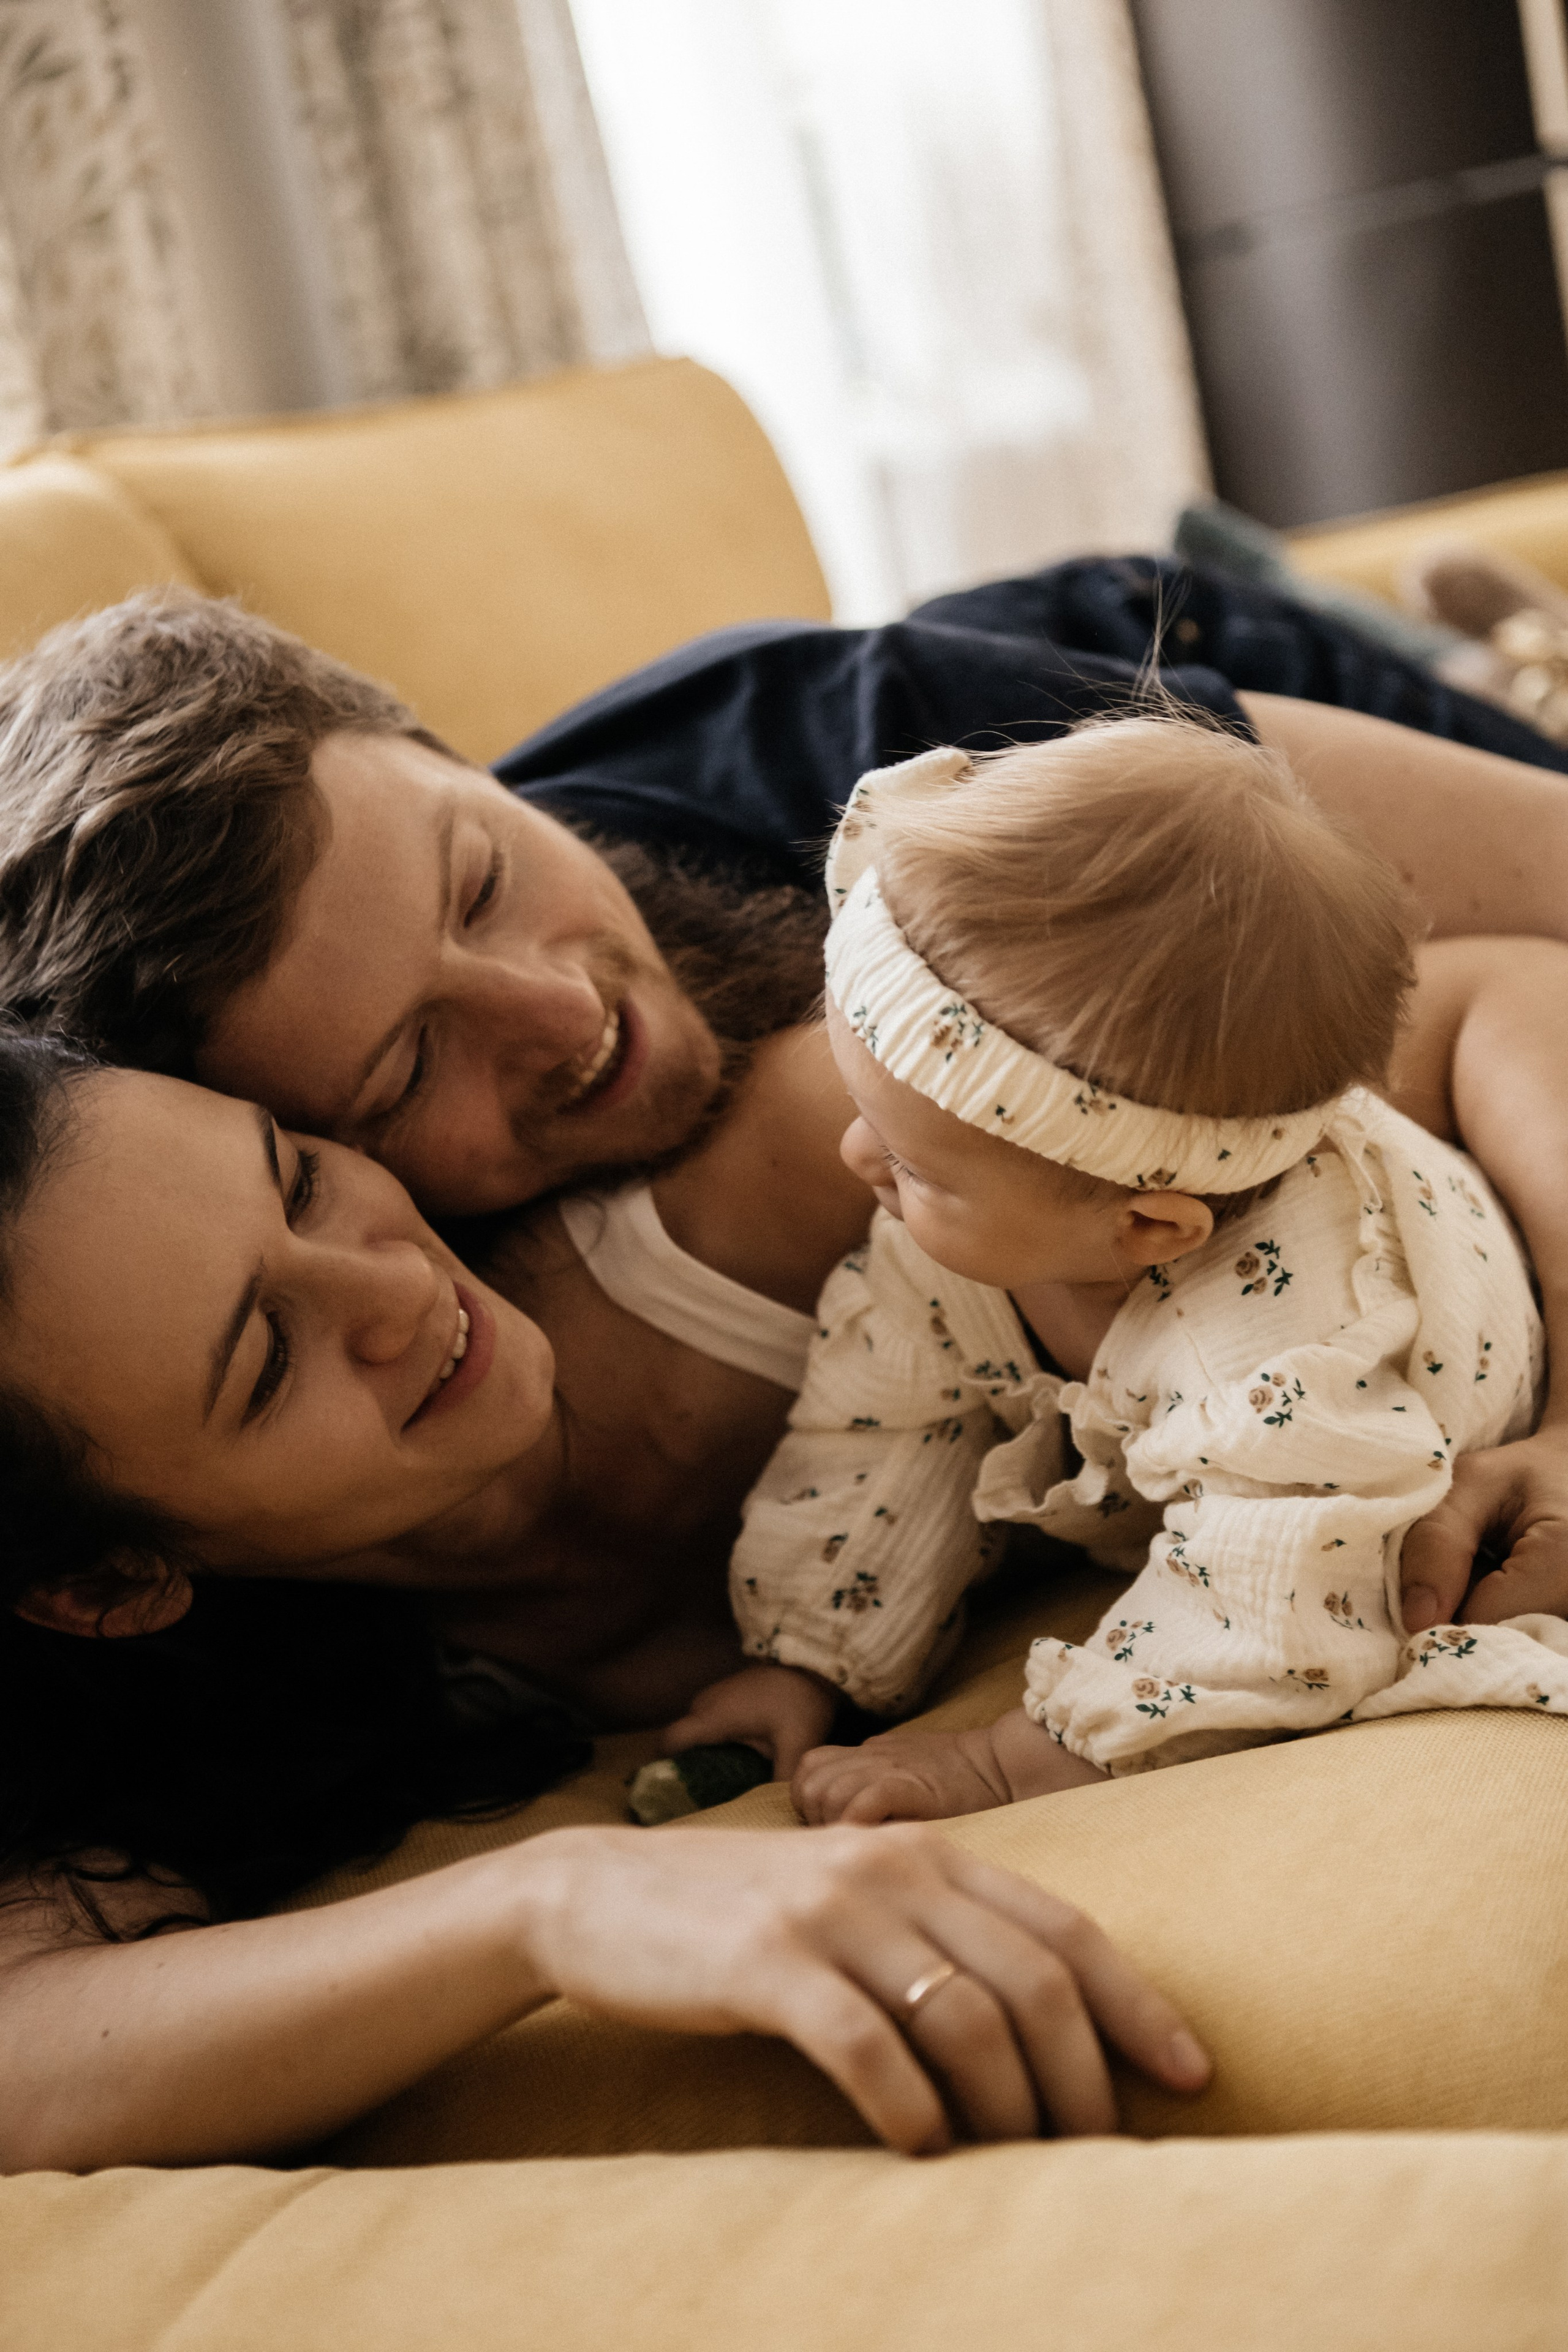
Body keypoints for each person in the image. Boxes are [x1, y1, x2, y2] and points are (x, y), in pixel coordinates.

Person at [1, 577, 1568, 1677]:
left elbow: (1513, 973)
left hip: (1138, 695)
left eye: (481, 876)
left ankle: (1490, 655)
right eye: (406, 1074)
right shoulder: (294, 1336)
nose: (559, 1015)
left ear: (450, 758)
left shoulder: (869, 757)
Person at [0, 1034, 1210, 2172]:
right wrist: (543, 1904)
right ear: (115, 1584)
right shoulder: (183, 1734)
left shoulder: (777, 1176)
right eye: (267, 1360)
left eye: (300, 1182)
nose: (396, 1291)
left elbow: (1371, 1064)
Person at [662, 720, 1561, 1820]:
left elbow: (1275, 1613)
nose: (860, 1164)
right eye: (867, 1119)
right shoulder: (966, 1244)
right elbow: (887, 1425)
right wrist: (809, 1657)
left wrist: (1006, 1761)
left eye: (911, 1164)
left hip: (1423, 1415)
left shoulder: (1277, 1354)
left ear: (1148, 1231)